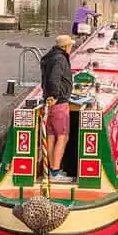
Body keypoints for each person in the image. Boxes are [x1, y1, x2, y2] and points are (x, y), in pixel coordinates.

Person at [40, 35, 75, 184]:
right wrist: (54, 95)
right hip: (59, 103)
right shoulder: (60, 59)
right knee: (63, 136)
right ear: (66, 47)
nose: (71, 47)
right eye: (70, 45)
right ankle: (54, 172)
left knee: (52, 135)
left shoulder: (50, 56)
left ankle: (50, 169)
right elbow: (54, 78)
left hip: (51, 103)